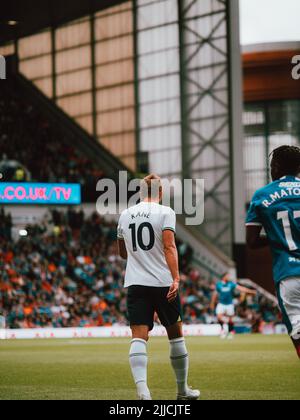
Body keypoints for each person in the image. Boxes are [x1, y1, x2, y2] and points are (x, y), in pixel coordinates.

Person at [117, 174, 200, 401]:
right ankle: (182, 391)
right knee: (175, 334)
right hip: (163, 283)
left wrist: (138, 256)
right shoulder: (165, 212)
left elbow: (122, 252)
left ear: (141, 193)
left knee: (138, 336)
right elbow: (169, 246)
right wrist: (176, 278)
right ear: (160, 193)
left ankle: (144, 392)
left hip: (136, 282)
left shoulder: (125, 215)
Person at [246, 145, 300, 359]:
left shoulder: (261, 196)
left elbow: (251, 241)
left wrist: (277, 236)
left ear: (275, 167)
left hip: (289, 274)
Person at [210, 273, 256, 339]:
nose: (229, 277)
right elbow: (215, 294)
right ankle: (223, 331)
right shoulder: (218, 284)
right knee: (219, 317)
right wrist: (212, 303)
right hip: (221, 303)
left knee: (230, 319)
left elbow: (241, 288)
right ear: (224, 277)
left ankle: (231, 332)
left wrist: (250, 291)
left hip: (229, 304)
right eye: (227, 276)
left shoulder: (231, 284)